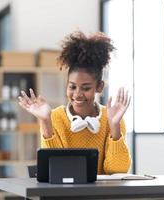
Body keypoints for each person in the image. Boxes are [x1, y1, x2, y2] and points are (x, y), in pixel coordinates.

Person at [18, 31, 131, 174]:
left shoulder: (112, 119)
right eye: (72, 86)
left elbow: (117, 170)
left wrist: (114, 126)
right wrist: (45, 121)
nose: (77, 94)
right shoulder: (56, 117)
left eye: (86, 88)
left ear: (99, 87)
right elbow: (54, 169)